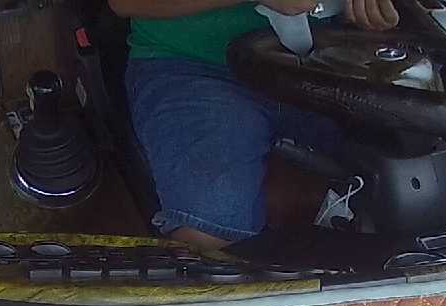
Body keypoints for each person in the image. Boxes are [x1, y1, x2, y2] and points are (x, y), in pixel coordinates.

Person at [109, 0, 400, 250]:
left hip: (337, 60)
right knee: (210, 225)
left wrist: (374, 11)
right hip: (194, 66)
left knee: (408, 178)